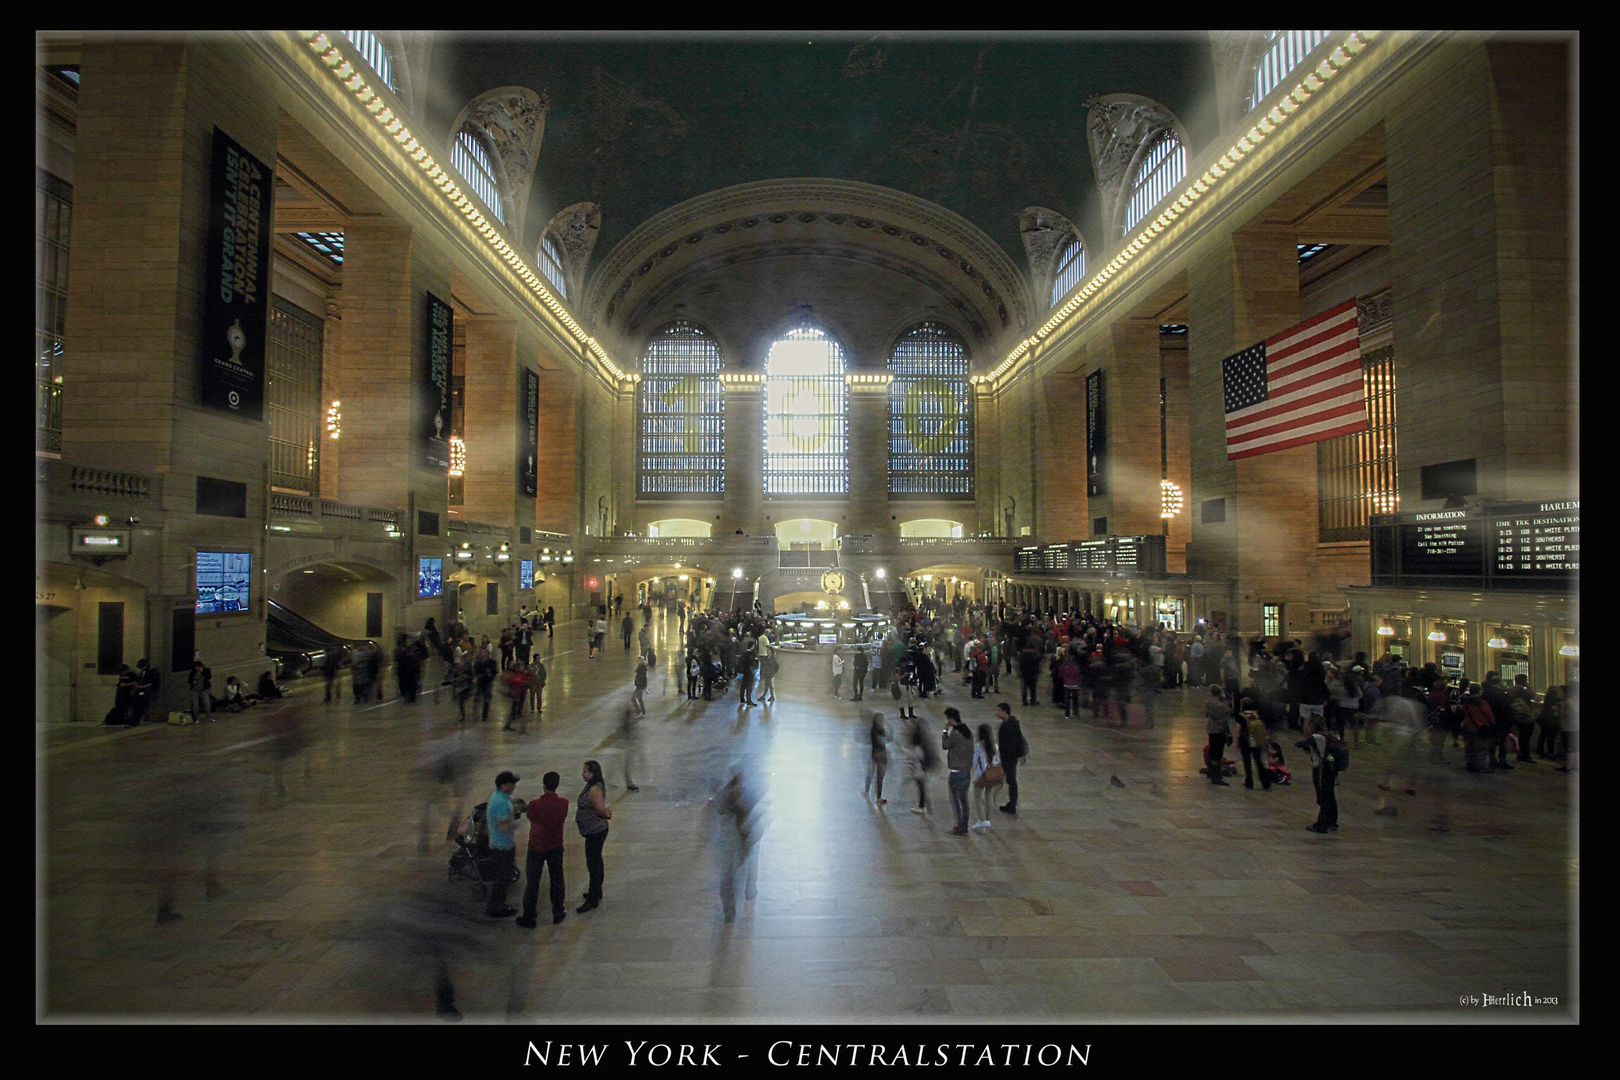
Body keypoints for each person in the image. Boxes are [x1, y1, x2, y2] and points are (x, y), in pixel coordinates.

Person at [516, 771, 568, 928]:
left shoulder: (535, 805)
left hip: (537, 847)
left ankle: (529, 916)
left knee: (533, 882)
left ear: (544, 785)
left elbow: (531, 817)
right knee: (557, 879)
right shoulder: (563, 803)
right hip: (556, 846)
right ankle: (558, 911)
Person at [575, 760, 612, 912]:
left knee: (594, 864)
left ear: (593, 773)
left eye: (585, 771)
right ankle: (595, 891)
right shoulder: (591, 786)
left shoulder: (594, 790)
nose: (583, 774)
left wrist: (607, 813)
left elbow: (600, 810)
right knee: (595, 861)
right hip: (591, 831)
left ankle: (594, 896)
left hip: (595, 831)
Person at [483, 770, 520, 917]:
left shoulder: (498, 796)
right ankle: (496, 907)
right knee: (502, 877)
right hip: (503, 845)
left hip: (500, 843)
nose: (514, 786)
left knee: (502, 876)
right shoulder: (500, 802)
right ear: (504, 785)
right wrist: (516, 825)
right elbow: (503, 825)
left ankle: (499, 904)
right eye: (512, 784)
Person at [1298, 720, 1339, 832]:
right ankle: (1332, 822)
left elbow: (1299, 744)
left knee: (1323, 796)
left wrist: (1306, 734)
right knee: (1330, 795)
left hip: (1321, 769)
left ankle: (1322, 824)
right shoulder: (1328, 736)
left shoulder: (1315, 737)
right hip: (1331, 768)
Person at [942, 708, 974, 836]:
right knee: (964, 800)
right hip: (966, 771)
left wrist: (945, 731)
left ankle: (960, 825)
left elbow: (945, 745)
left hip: (956, 772)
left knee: (956, 801)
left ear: (951, 719)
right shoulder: (968, 732)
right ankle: (964, 825)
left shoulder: (955, 733)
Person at [995, 703, 1027, 815]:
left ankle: (1013, 804)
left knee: (1011, 780)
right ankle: (1012, 802)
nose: (997, 713)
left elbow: (1008, 743)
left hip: (1009, 757)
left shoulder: (1008, 726)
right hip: (1010, 756)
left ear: (1005, 712)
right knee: (1010, 779)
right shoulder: (1012, 723)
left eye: (999, 711)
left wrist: (1004, 756)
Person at [970, 723, 1002, 830]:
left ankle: (982, 820)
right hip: (991, 775)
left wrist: (971, 774)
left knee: (977, 797)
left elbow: (974, 761)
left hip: (981, 776)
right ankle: (988, 819)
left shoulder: (979, 746)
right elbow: (998, 761)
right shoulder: (995, 746)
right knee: (989, 796)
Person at [1204, 684, 1232, 785]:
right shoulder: (1219, 705)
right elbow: (1228, 712)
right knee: (1218, 753)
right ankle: (1216, 776)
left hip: (1211, 728)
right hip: (1219, 730)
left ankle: (1211, 771)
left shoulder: (1208, 702)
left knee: (1212, 750)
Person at [863, 712, 890, 804]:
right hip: (880, 754)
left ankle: (867, 791)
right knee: (878, 776)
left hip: (875, 753)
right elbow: (882, 741)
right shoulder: (878, 731)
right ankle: (877, 796)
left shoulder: (875, 730)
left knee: (872, 773)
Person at [131, 658, 160, 725]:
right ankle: (133, 719)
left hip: (147, 690)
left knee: (141, 705)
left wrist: (143, 686)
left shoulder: (152, 671)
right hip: (140, 689)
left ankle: (135, 720)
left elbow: (154, 682)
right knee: (136, 705)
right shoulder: (143, 672)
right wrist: (137, 684)